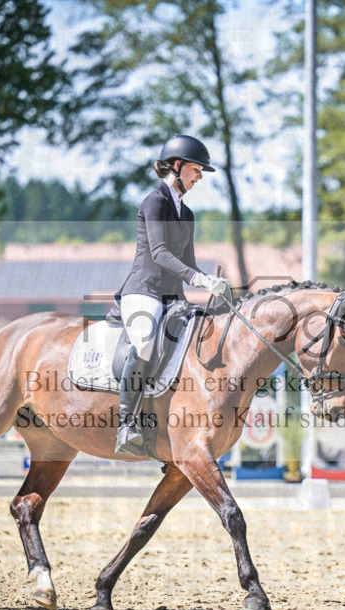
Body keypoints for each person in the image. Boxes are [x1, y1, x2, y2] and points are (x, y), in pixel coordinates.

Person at [113, 134, 229, 457]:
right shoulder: (154, 202)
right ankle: (126, 424)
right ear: (177, 167)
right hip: (144, 291)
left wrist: (211, 282)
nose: (200, 176)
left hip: (173, 296)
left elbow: (188, 261)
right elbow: (160, 253)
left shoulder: (187, 214)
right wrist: (197, 278)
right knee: (146, 341)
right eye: (196, 169)